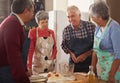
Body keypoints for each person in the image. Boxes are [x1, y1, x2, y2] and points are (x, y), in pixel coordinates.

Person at [0, 0, 34, 83]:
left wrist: (24, 70)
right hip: (8, 72)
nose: (33, 14)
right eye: (32, 11)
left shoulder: (14, 22)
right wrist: (23, 79)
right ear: (26, 11)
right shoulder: (12, 25)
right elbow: (14, 57)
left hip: (10, 70)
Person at [89, 1, 120, 83]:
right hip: (102, 71)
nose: (91, 18)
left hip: (113, 72)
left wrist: (111, 75)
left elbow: (118, 54)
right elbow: (95, 51)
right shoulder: (97, 28)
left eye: (92, 16)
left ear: (99, 17)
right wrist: (92, 69)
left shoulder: (114, 28)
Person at [61, 5, 95, 73]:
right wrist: (71, 53)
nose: (70, 19)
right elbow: (64, 46)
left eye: (73, 16)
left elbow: (97, 46)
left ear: (79, 15)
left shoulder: (91, 26)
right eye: (68, 17)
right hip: (73, 65)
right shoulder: (66, 30)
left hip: (89, 65)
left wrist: (85, 54)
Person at [27, 11, 57, 75]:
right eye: (42, 22)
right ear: (38, 22)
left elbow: (55, 48)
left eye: (46, 22)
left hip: (49, 66)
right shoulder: (33, 32)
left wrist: (52, 58)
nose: (45, 24)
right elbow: (30, 50)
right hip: (37, 67)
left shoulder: (51, 32)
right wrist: (29, 66)